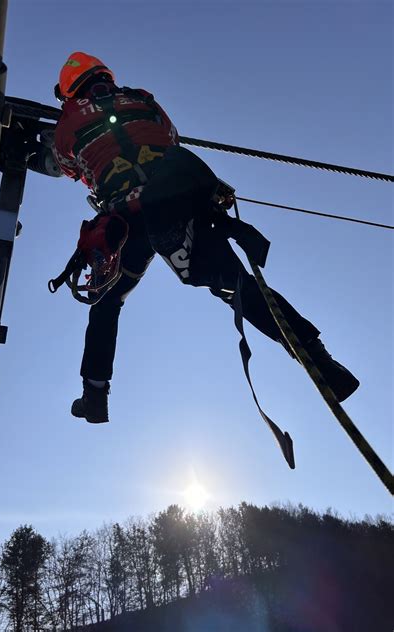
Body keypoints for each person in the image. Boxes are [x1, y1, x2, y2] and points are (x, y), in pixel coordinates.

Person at [52, 52, 359, 424]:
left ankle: (95, 394)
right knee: (238, 287)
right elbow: (171, 139)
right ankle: (322, 362)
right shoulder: (143, 100)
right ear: (106, 76)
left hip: (127, 215)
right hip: (176, 197)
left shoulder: (66, 122)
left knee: (107, 303)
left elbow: (66, 164)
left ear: (69, 90)